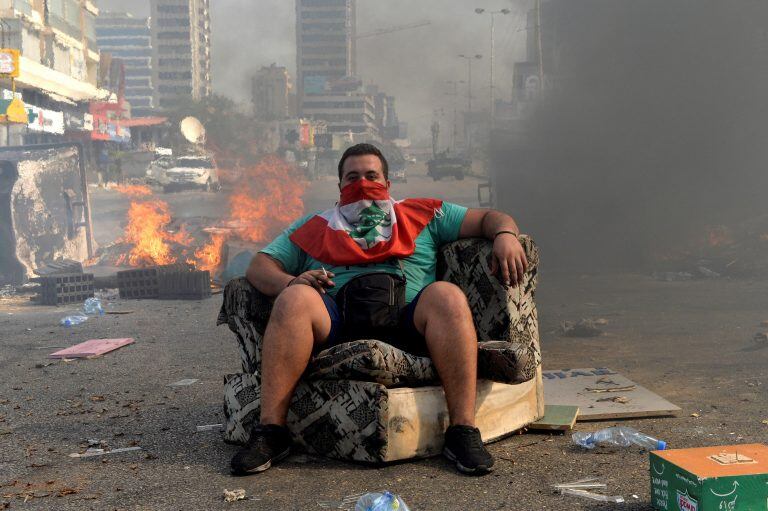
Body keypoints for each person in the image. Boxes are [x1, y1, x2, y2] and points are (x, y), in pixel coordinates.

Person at [231, 143, 527, 477]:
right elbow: (259, 265)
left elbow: (491, 217)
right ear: (340, 186)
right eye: (352, 177)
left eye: (372, 175)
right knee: (294, 298)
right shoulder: (314, 227)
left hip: (408, 318)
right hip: (336, 321)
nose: (362, 183)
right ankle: (271, 433)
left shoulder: (422, 213)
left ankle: (462, 432)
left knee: (447, 295)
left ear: (387, 182)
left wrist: (505, 234)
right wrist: (291, 281)